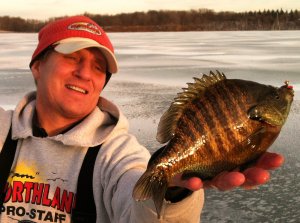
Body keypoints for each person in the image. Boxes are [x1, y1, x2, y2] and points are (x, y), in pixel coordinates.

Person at [0, 15, 284, 223]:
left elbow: (137, 205)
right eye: (73, 58)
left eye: (98, 67)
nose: (85, 73)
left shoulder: (117, 154)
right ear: (37, 66)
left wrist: (173, 190)